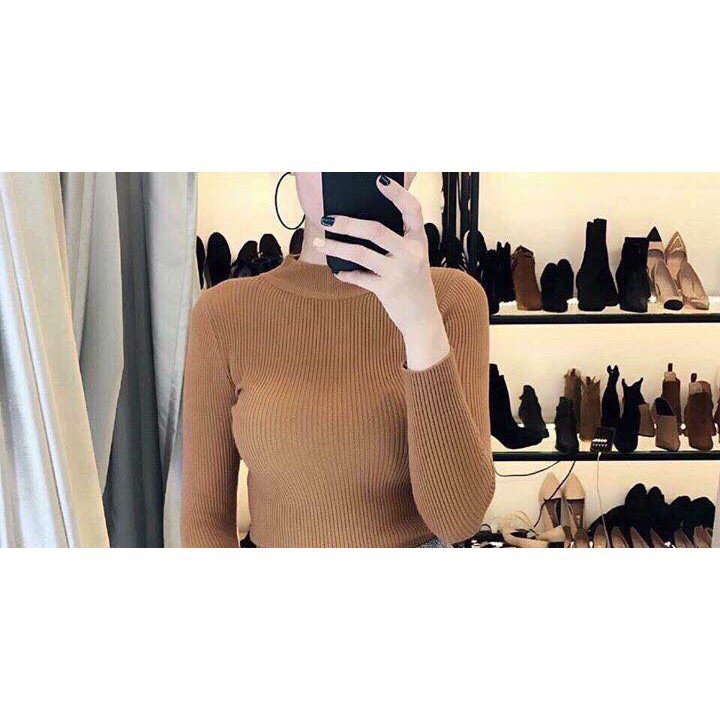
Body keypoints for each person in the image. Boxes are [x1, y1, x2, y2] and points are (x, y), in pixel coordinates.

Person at [181, 174, 494, 547]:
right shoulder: (224, 312)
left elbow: (459, 522)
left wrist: (421, 323)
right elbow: (204, 521)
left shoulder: (453, 299)